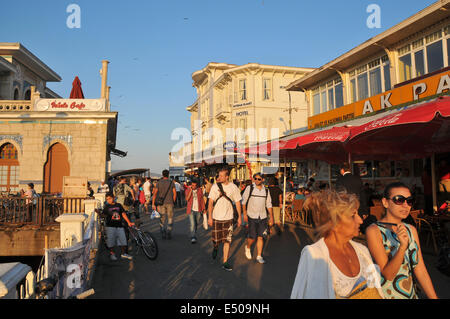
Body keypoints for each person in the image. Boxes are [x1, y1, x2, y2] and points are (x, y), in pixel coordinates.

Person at [291, 189, 384, 299]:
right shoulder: (314, 254)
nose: (360, 220)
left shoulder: (362, 251)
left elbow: (375, 290)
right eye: (353, 215)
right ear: (335, 223)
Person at [365, 182, 438, 299]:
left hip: (410, 295)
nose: (406, 205)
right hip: (387, 295)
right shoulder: (374, 230)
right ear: (385, 202)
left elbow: (420, 269)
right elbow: (388, 274)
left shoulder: (411, 229)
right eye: (399, 200)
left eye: (409, 201)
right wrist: (402, 247)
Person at [208, 167, 242, 271]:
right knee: (216, 240)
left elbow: (237, 203)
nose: (219, 177)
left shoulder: (233, 188)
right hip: (216, 217)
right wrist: (209, 217)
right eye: (219, 175)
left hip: (229, 218)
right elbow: (210, 202)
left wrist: (240, 217)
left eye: (222, 176)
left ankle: (225, 261)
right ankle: (215, 247)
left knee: (227, 240)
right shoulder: (214, 187)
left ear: (227, 177)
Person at [242, 173, 273, 264]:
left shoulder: (266, 190)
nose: (256, 180)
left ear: (263, 180)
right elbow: (244, 202)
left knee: (261, 237)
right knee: (252, 237)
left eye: (259, 179)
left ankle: (259, 255)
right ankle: (248, 247)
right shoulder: (250, 188)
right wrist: (244, 214)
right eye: (255, 178)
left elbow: (269, 204)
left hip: (263, 216)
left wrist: (271, 217)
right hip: (251, 216)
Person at [336, 163, 373, 233]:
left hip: (345, 207)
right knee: (355, 224)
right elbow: (362, 195)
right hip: (357, 206)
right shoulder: (358, 179)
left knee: (346, 225)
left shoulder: (340, 180)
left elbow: (338, 195)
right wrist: (365, 210)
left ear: (342, 170)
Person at [98, 193, 134, 261]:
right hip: (110, 226)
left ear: (113, 197)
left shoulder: (119, 205)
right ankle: (112, 254)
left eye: (110, 198)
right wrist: (99, 213)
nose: (108, 200)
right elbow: (104, 216)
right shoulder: (107, 207)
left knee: (123, 240)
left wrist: (128, 222)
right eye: (107, 199)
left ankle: (123, 253)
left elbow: (123, 214)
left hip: (119, 225)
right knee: (111, 241)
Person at [152, 170, 177, 239]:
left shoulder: (159, 183)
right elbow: (175, 193)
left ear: (162, 175)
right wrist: (173, 202)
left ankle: (163, 232)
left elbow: (155, 194)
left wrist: (153, 204)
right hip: (170, 203)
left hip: (161, 204)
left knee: (162, 218)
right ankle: (168, 232)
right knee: (170, 218)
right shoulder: (171, 182)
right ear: (168, 174)